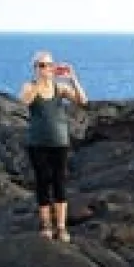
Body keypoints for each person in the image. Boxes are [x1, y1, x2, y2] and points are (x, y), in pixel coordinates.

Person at [18, 51, 87, 241]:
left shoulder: (60, 88)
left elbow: (83, 101)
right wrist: (41, 81)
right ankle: (46, 225)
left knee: (59, 182)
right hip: (37, 142)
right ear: (35, 68)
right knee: (42, 181)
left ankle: (62, 227)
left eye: (48, 65)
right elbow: (25, 100)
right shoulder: (29, 86)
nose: (46, 68)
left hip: (60, 142)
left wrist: (73, 78)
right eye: (41, 65)